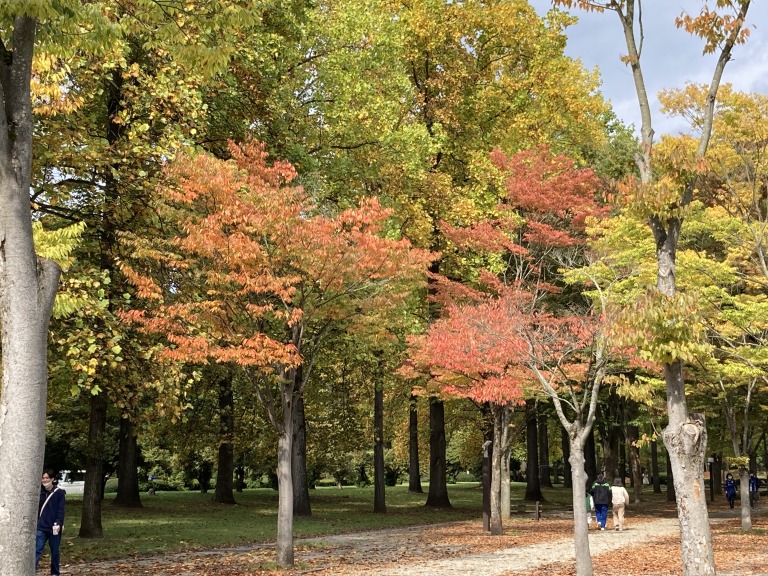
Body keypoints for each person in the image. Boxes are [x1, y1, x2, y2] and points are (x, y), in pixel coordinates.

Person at [36, 469, 65, 576]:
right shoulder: (40, 493)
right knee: (37, 550)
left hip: (54, 528)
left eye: (47, 478)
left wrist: (58, 523)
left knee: (55, 552)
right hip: (41, 527)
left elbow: (61, 510)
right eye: (43, 478)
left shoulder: (59, 493)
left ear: (52, 479)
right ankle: (32, 570)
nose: (44, 480)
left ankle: (55, 573)